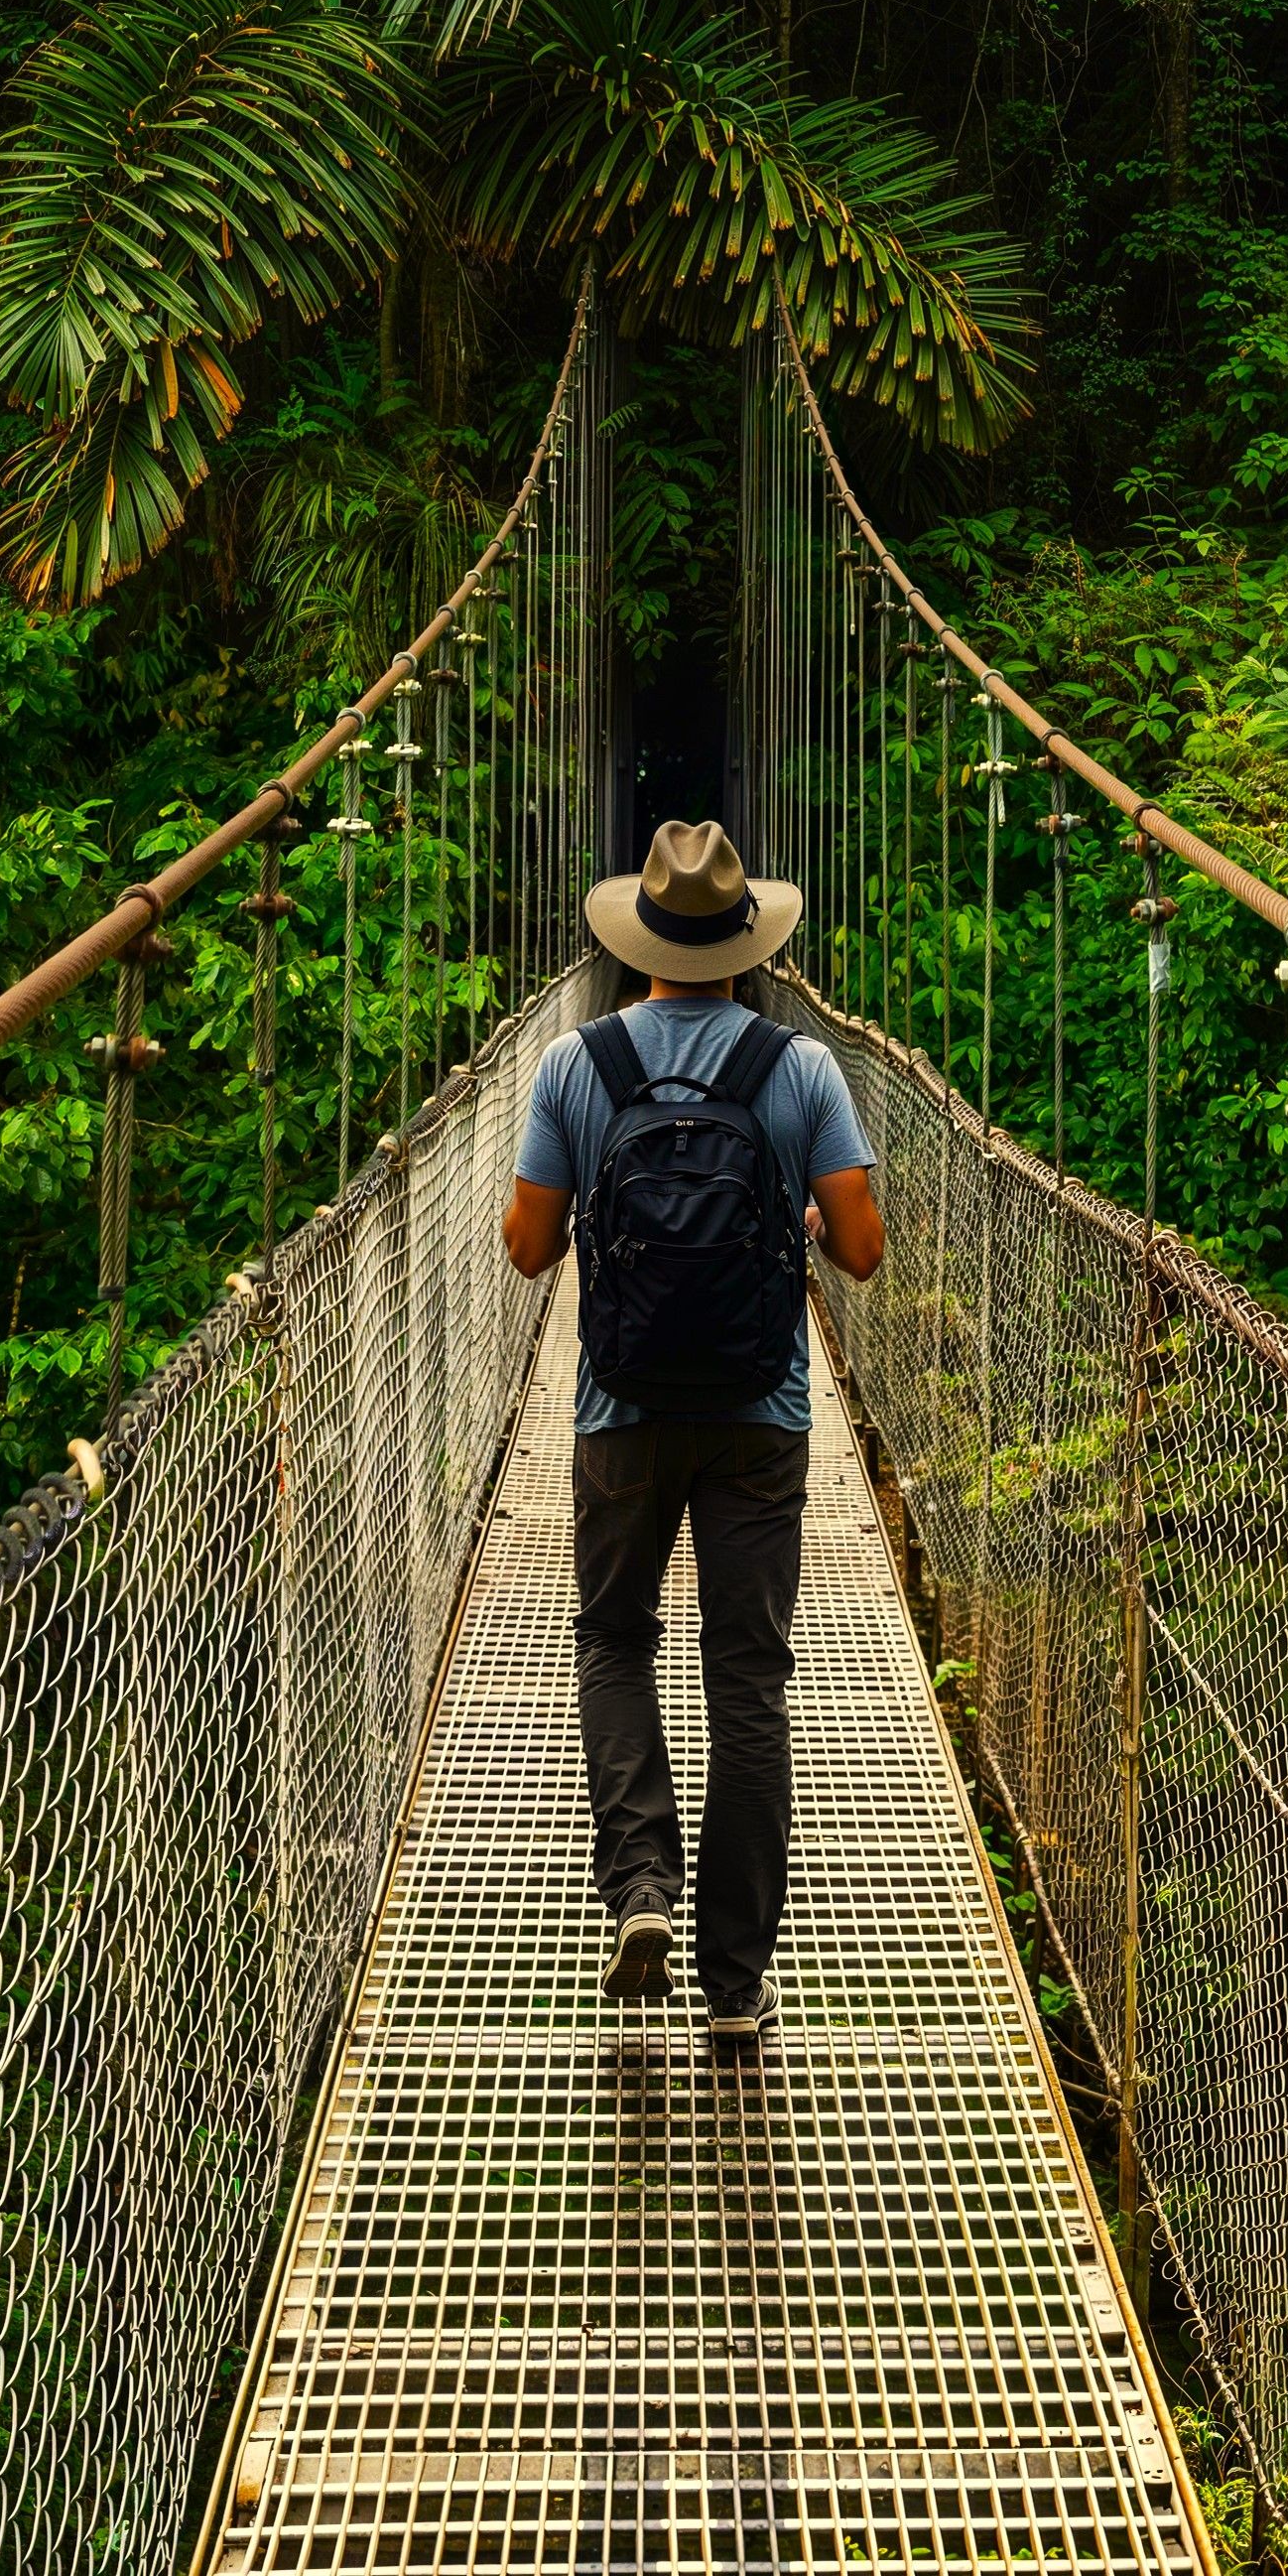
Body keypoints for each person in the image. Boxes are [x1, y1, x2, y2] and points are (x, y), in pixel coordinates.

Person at [500, 818, 883, 2047]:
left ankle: (641, 1893)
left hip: (620, 1412)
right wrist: (795, 1221)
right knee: (749, 1678)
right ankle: (734, 1986)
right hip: (760, 1418)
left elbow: (528, 1249)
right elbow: (863, 1250)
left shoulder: (576, 1064)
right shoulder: (801, 1068)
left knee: (615, 1640)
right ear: (746, 945)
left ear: (639, 940)